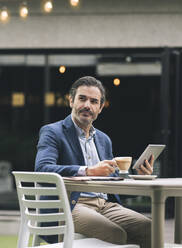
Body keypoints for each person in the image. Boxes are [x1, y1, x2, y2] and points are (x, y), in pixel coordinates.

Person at [35, 76, 154, 248]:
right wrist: (88, 170)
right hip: (69, 205)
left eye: (94, 101)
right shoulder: (52, 132)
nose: (87, 105)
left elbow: (112, 179)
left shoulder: (104, 140)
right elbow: (42, 168)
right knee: (115, 234)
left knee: (148, 228)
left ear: (100, 108)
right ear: (71, 101)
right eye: (82, 99)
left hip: (105, 205)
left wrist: (137, 175)